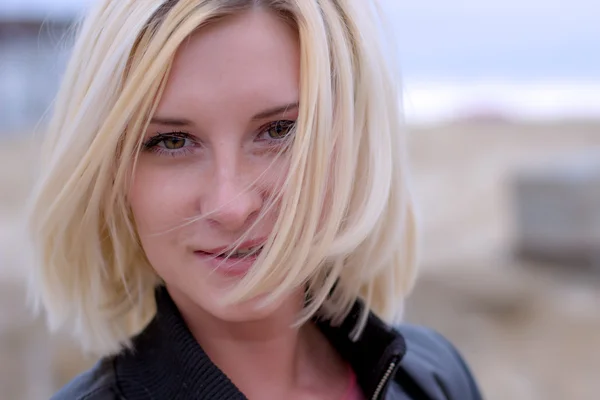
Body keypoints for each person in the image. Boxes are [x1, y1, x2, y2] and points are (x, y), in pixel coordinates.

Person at [27, 0, 483, 399]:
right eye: (171, 141)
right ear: (110, 175)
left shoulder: (434, 377)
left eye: (280, 130)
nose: (232, 206)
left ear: (353, 141)